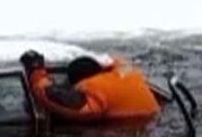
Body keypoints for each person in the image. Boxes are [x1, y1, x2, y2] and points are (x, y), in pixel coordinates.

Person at [19, 51, 160, 123]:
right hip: (153, 124)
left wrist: (36, 73)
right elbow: (116, 61)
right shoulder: (127, 72)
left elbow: (51, 95)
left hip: (128, 132)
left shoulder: (95, 92)